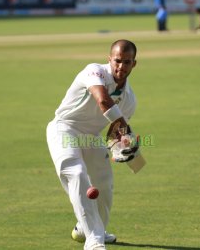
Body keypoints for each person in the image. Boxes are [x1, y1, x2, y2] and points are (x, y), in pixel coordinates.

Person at [46, 40, 138, 250]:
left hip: (91, 137)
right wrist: (124, 126)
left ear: (134, 64)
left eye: (126, 62)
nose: (120, 66)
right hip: (64, 128)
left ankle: (87, 229)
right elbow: (103, 101)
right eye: (117, 61)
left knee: (104, 184)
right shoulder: (94, 71)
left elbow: (113, 135)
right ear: (109, 59)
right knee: (77, 173)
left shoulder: (130, 99)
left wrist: (120, 146)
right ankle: (94, 241)